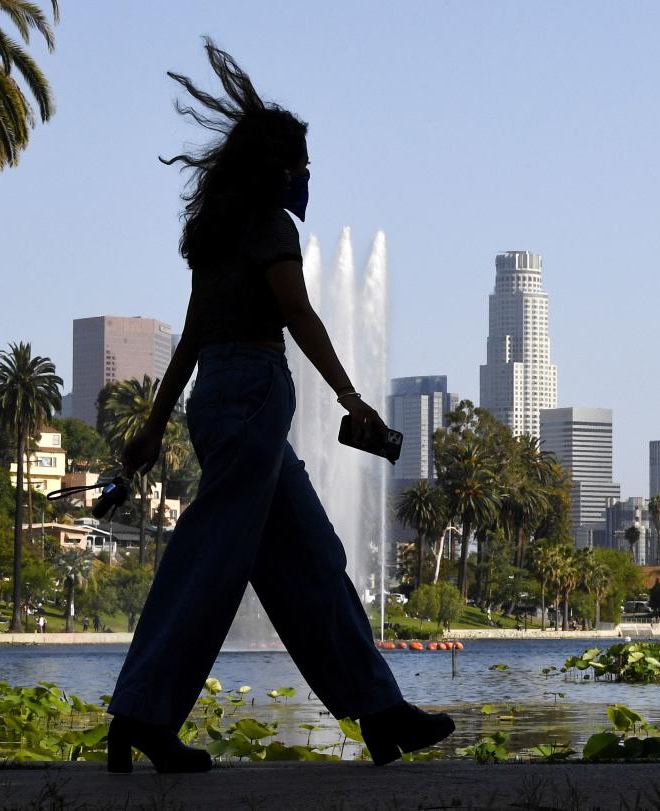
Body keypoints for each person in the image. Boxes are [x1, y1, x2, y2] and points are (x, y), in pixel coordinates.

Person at [105, 39, 453, 775]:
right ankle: (142, 712)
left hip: (218, 400)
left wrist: (154, 427)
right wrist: (352, 396)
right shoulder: (269, 227)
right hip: (258, 391)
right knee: (210, 560)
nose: (306, 176)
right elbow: (299, 314)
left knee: (313, 560)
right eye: (301, 163)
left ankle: (380, 711)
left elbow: (195, 334)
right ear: (279, 168)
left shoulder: (215, 234)